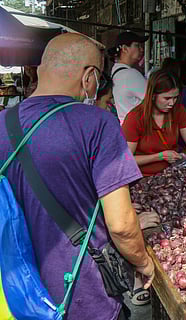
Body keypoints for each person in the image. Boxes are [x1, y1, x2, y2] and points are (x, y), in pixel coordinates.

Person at [0, 33, 154, 319]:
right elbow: (120, 224)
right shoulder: (98, 123)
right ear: (89, 77)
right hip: (83, 297)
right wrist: (143, 261)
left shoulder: (1, 124)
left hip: (17, 296)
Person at [122, 70, 186, 176]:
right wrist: (159, 156)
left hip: (170, 174)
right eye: (167, 98)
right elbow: (126, 160)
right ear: (153, 95)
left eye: (175, 98)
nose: (172, 103)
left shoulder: (178, 111)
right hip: (142, 177)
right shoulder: (135, 118)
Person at [109, 31, 149, 124]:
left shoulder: (115, 71)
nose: (141, 49)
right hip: (139, 130)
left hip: (126, 128)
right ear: (125, 48)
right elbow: (154, 100)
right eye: (137, 45)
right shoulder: (130, 74)